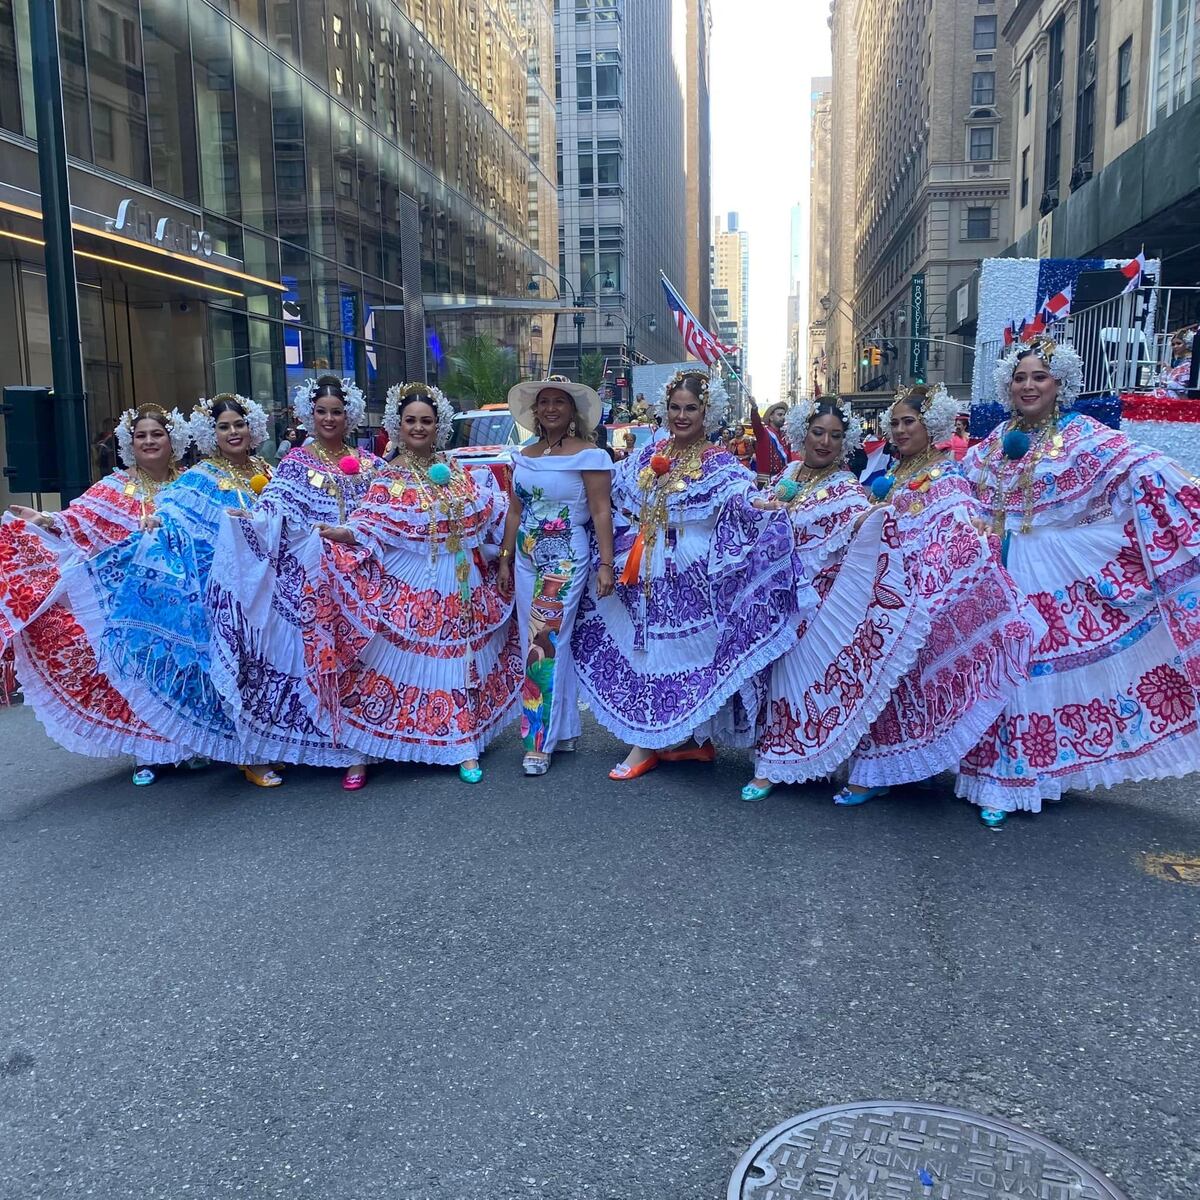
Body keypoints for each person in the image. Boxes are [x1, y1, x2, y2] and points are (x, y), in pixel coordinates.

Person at [958, 336, 1200, 825]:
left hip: (1050, 570)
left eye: (1039, 377)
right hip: (998, 570)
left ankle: (1018, 781)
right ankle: (991, 775)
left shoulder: (1081, 435)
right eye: (1020, 377)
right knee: (1000, 668)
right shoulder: (993, 443)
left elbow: (1138, 466)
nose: (1028, 386)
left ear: (1060, 385)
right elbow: (962, 488)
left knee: (1031, 676)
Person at [572, 369, 812, 780]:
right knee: (647, 651)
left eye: (691, 409)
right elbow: (618, 491)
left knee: (687, 656)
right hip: (647, 568)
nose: (681, 416)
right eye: (675, 407)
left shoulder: (719, 461)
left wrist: (765, 509)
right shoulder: (649, 453)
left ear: (707, 412)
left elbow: (741, 499)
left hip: (692, 575)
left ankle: (671, 741)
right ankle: (668, 742)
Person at [834, 383, 1041, 811]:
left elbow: (954, 529)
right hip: (880, 592)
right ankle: (877, 771)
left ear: (932, 425)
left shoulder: (945, 475)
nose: (899, 430)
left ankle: (890, 770)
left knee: (899, 675)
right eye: (894, 423)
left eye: (908, 421)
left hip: (914, 594)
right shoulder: (894, 474)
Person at [62, 393, 283, 787]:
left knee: (264, 670)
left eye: (238, 424)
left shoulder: (267, 469)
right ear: (210, 433)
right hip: (217, 591)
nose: (233, 432)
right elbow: (172, 513)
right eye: (223, 426)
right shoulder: (202, 476)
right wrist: (156, 526)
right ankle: (246, 756)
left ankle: (250, 745)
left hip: (265, 588)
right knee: (227, 670)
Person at [316, 383, 521, 783]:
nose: (418, 427)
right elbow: (368, 521)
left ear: (438, 425)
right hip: (407, 584)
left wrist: (512, 549)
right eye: (411, 420)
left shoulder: (459, 470)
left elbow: (489, 513)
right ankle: (363, 752)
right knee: (384, 664)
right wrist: (340, 534)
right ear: (398, 425)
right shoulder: (386, 473)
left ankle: (462, 746)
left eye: (426, 420)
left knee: (459, 665)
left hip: (461, 581)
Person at [742, 397, 927, 800]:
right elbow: (764, 516)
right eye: (818, 432)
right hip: (778, 600)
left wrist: (875, 516)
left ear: (846, 443)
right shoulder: (789, 474)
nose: (825, 442)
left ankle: (782, 764)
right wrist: (759, 506)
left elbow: (862, 521)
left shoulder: (845, 489)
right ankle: (777, 762)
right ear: (801, 433)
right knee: (775, 683)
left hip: (816, 604)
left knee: (798, 683)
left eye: (836, 436)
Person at [208, 375, 387, 790]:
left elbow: (386, 514)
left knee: (366, 663)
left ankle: (368, 743)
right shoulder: (294, 464)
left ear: (351, 415)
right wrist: (248, 521)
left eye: (337, 411)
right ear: (309, 415)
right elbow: (273, 510)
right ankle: (343, 749)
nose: (329, 418)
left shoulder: (371, 464)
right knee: (331, 661)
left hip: (367, 576)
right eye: (321, 411)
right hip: (318, 580)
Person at [0, 405, 194, 783]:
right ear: (130, 443)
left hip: (185, 597)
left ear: (174, 440)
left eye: (157, 434)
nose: (150, 441)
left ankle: (188, 745)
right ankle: (148, 754)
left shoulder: (191, 483)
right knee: (139, 674)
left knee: (181, 673)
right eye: (141, 436)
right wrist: (43, 521)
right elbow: (75, 522)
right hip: (130, 602)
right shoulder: (114, 488)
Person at [497, 375, 615, 776]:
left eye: (559, 402)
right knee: (541, 641)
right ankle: (560, 732)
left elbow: (601, 511)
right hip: (527, 559)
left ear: (572, 412)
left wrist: (606, 564)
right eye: (543, 401)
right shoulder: (524, 454)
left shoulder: (590, 455)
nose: (550, 408)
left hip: (565, 560)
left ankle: (536, 741)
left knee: (542, 643)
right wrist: (505, 558)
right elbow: (516, 510)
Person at [1157, 327, 1197, 397]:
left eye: (1179, 343)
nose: (1175, 346)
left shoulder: (1191, 362)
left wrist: (1170, 371)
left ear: (1187, 344)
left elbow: (1183, 385)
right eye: (1173, 344)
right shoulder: (1178, 361)